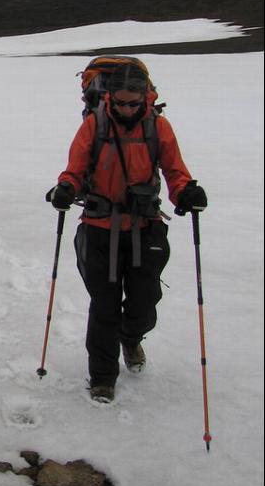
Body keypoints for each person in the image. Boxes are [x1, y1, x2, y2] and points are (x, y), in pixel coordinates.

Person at [46, 63, 207, 402]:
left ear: (145, 98)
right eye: (121, 103)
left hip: (144, 228)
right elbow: (74, 169)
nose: (127, 110)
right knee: (104, 306)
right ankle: (103, 378)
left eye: (134, 103)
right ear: (110, 98)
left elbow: (175, 171)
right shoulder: (95, 125)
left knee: (144, 304)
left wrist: (186, 192)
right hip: (99, 229)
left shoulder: (157, 127)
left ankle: (131, 338)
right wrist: (64, 188)